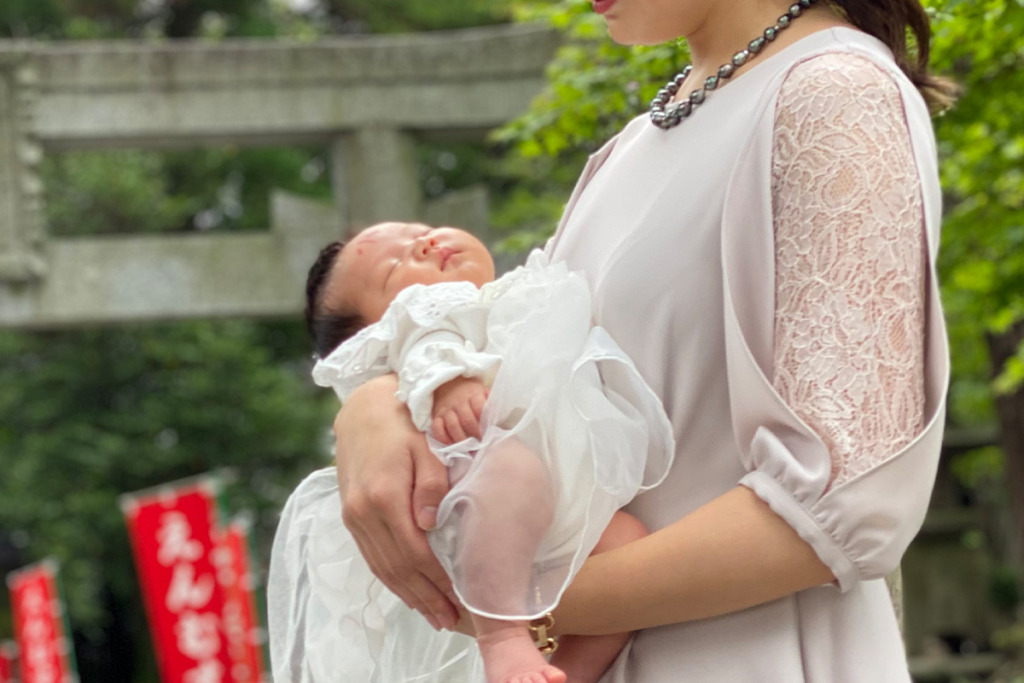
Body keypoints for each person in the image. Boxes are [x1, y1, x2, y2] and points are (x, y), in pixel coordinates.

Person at [323, 0, 956, 679]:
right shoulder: (632, 145)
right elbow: (528, 364)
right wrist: (376, 405)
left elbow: (839, 504)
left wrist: (501, 606)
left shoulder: (835, 93)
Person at [268, 222, 675, 683]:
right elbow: (427, 341)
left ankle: (568, 671)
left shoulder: (512, 293)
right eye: (396, 265)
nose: (422, 243)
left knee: (629, 543)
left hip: (563, 500)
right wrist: (449, 383)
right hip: (483, 479)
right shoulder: (427, 316)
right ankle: (502, 639)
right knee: (512, 471)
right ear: (377, 332)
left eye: (419, 230)